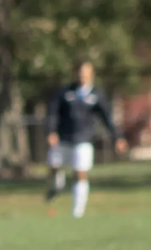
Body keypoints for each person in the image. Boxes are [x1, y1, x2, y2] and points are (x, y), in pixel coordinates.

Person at [45, 60, 128, 218]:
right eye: (80, 72)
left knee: (80, 173)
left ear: (91, 74)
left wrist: (118, 138)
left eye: (85, 72)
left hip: (83, 139)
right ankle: (57, 185)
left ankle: (78, 211)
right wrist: (51, 132)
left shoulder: (96, 95)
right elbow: (52, 113)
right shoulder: (65, 92)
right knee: (53, 166)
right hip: (63, 138)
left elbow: (107, 118)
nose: (82, 75)